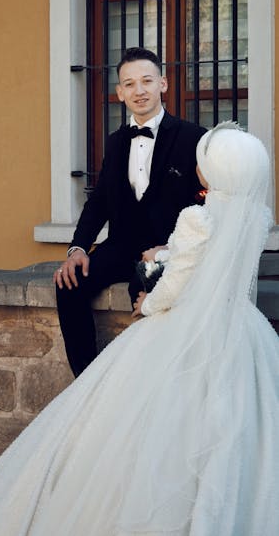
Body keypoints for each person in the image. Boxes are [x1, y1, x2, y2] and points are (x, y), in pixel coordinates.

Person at [0, 124, 279, 536]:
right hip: (240, 328)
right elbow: (214, 263)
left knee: (145, 430)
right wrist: (165, 251)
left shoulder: (197, 217)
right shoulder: (255, 218)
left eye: (203, 162)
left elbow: (179, 283)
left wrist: (149, 303)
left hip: (184, 329)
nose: (196, 167)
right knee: (236, 428)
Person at [55, 47, 206, 376]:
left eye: (147, 81)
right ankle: (87, 379)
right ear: (120, 93)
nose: (140, 90)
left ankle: (153, 384)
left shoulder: (194, 138)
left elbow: (206, 199)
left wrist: (175, 247)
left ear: (163, 84)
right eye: (130, 84)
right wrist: (78, 248)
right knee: (68, 283)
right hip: (121, 246)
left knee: (148, 296)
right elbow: (99, 202)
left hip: (168, 250)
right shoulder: (115, 141)